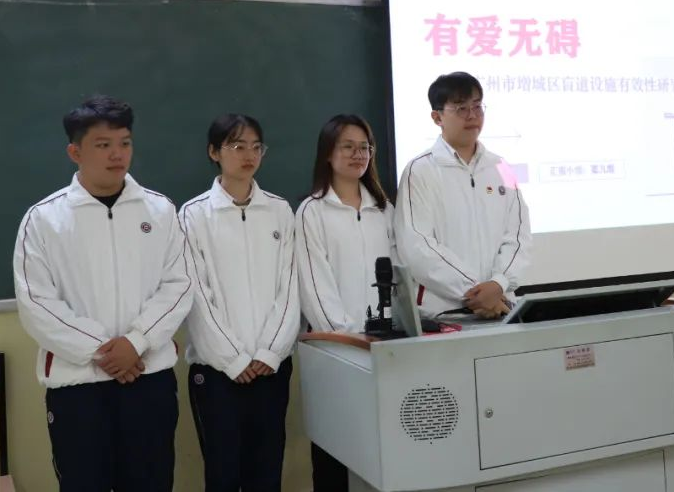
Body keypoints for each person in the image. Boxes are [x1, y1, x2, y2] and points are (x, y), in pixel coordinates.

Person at [13, 95, 192, 492]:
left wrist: (136, 342)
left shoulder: (160, 211)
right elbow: (36, 303)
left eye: (125, 143)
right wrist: (106, 352)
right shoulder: (44, 220)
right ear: (75, 152)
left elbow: (179, 286)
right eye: (103, 144)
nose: (117, 154)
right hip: (78, 386)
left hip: (149, 379)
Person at [180, 113, 298, 492]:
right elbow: (197, 295)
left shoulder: (279, 211)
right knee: (223, 474)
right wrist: (232, 358)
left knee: (267, 472)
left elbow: (289, 288)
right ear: (214, 152)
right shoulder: (194, 215)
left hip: (270, 367)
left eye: (256, 146)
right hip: (217, 372)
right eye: (236, 145)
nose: (249, 155)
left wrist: (270, 351)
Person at [296, 113, 396, 492]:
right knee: (336, 460)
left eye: (364, 147)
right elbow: (315, 287)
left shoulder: (383, 210)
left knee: (380, 457)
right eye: (348, 147)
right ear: (328, 153)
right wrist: (349, 339)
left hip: (384, 352)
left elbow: (399, 278)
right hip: (335, 353)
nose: (358, 154)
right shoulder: (312, 211)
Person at [395, 71, 531, 320]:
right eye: (460, 108)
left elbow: (519, 236)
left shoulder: (501, 167)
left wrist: (498, 284)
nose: (472, 115)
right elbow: (417, 246)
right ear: (437, 117)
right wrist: (476, 292)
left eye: (477, 106)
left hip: (501, 308)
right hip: (444, 314)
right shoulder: (420, 170)